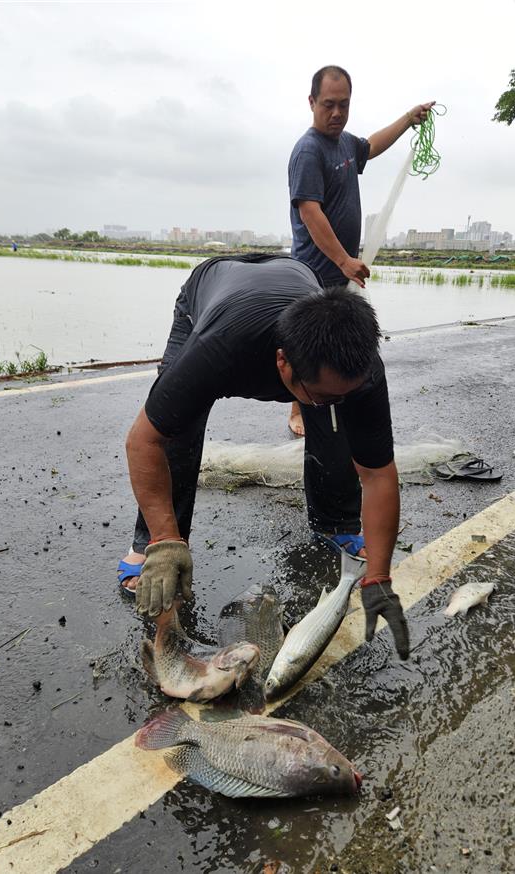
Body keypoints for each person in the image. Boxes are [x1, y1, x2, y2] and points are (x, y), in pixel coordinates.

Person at [118, 253, 409, 658]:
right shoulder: (218, 348)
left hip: (290, 279)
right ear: (282, 364)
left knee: (335, 426)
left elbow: (378, 475)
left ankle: (334, 521)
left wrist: (377, 575)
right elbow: (143, 440)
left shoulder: (363, 374)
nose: (336, 401)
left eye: (346, 392)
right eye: (323, 394)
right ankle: (154, 542)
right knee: (178, 429)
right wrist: (166, 540)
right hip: (211, 295)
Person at [286, 65, 434, 437]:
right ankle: (298, 410)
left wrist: (407, 119)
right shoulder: (308, 150)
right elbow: (309, 210)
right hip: (313, 269)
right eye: (328, 105)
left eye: (344, 105)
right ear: (312, 102)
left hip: (341, 270)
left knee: (335, 343)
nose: (336, 113)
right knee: (307, 345)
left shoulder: (345, 143)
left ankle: (334, 402)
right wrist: (344, 259)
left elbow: (370, 146)